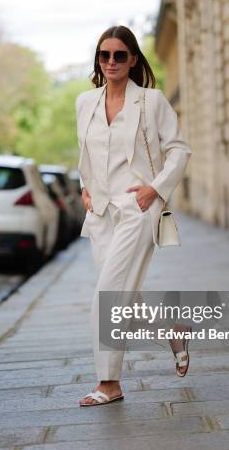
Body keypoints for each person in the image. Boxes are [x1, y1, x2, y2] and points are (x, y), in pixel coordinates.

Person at [75, 25, 192, 406]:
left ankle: (109, 383)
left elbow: (179, 150)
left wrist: (155, 189)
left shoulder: (152, 101)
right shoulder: (84, 103)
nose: (111, 62)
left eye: (119, 55)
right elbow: (87, 156)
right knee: (127, 298)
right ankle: (173, 331)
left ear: (133, 59)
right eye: (104, 55)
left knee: (107, 295)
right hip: (101, 214)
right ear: (98, 59)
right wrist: (85, 189)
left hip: (138, 209)